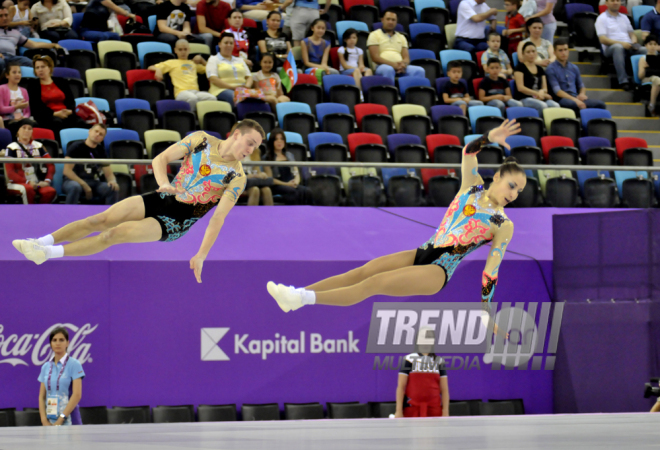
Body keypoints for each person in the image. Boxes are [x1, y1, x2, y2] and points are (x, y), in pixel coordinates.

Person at [267, 121, 524, 319]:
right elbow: (468, 151)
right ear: (498, 176)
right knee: (363, 271)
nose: (513, 194)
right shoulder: (472, 186)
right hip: (423, 251)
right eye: (512, 185)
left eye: (519, 191)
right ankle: (295, 296)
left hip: (439, 271)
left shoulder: (503, 224)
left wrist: (486, 310)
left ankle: (303, 298)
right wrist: (489, 138)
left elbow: (491, 271)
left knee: (373, 283)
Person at [12, 121, 265, 284]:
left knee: (113, 234)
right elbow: (161, 158)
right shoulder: (201, 140)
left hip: (177, 220)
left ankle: (48, 254)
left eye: (255, 147)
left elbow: (218, 218)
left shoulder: (237, 176)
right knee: (99, 219)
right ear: (235, 133)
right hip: (163, 196)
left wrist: (202, 254)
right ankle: (41, 242)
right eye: (250, 143)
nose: (251, 150)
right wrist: (163, 182)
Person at [27, 55, 86, 137]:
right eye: (37, 68)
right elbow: (36, 106)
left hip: (66, 113)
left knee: (80, 123)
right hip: (47, 116)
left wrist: (70, 111)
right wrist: (55, 113)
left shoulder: (61, 81)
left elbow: (70, 100)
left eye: (43, 67)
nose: (40, 70)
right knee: (57, 123)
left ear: (49, 67)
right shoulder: (33, 85)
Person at [149, 39, 217, 110]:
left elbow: (210, 70)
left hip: (196, 92)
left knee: (212, 98)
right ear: (175, 50)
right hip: (181, 93)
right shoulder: (171, 63)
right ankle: (192, 118)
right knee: (192, 98)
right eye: (180, 50)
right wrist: (158, 70)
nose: (183, 52)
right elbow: (150, 67)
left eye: (185, 49)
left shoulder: (193, 63)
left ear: (189, 50)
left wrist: (202, 60)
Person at [62, 124, 119, 205]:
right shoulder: (75, 146)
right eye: (96, 131)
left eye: (101, 134)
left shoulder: (101, 151)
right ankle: (68, 214)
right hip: (72, 181)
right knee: (75, 187)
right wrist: (84, 185)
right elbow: (67, 171)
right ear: (90, 131)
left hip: (93, 182)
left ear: (102, 139)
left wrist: (113, 181)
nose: (97, 135)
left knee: (112, 188)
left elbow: (109, 173)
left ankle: (110, 216)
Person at [38, 327, 85, 426]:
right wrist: (44, 420)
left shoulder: (74, 364)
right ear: (50, 343)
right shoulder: (46, 367)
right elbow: (42, 396)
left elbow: (77, 395)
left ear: (67, 343)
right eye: (54, 340)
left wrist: (61, 419)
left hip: (70, 421)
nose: (57, 343)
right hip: (50, 421)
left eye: (61, 340)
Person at [595, 0, 647, 91]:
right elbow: (602, 39)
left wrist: (633, 42)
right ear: (606, 3)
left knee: (644, 50)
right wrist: (622, 43)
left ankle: (644, 80)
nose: (615, 3)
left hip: (628, 45)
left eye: (618, 0)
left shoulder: (624, 18)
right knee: (618, 48)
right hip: (611, 48)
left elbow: (632, 34)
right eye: (612, 1)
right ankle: (623, 81)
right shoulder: (601, 18)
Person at [545, 39, 607, 113]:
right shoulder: (551, 68)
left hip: (576, 97)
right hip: (562, 99)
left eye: (565, 50)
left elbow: (581, 86)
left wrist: (582, 94)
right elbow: (558, 91)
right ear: (554, 53)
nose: (564, 53)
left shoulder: (574, 67)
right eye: (560, 50)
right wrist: (575, 100)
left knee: (601, 105)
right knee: (572, 105)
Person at [395, 336, 449, 419]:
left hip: (434, 412)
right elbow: (401, 387)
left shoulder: (439, 361)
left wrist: (445, 412)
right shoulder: (409, 359)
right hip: (412, 411)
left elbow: (444, 390)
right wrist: (398, 411)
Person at [5, 118, 56, 204]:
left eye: (29, 129)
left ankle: (40, 212)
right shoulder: (11, 147)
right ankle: (28, 213)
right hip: (17, 182)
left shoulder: (39, 146)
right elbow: (10, 172)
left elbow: (50, 165)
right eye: (24, 128)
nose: (27, 131)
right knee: (28, 189)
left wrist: (47, 181)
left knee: (49, 191)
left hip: (37, 182)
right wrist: (27, 182)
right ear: (18, 131)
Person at [367, 9, 425, 82]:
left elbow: (406, 58)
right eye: (388, 19)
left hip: (400, 67)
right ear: (382, 20)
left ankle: (415, 93)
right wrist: (393, 65)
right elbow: (375, 58)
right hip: (382, 66)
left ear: (396, 22)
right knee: (389, 70)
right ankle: (389, 93)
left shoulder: (401, 37)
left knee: (420, 70)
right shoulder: (374, 35)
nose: (390, 22)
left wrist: (403, 65)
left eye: (393, 20)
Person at [0, 6, 61, 73]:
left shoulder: (15, 33)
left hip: (12, 58)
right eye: (1, 16)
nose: (4, 18)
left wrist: (53, 45)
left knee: (33, 64)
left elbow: (34, 44)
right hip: (1, 58)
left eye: (6, 15)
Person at [263, 128, 313, 205]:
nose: (279, 141)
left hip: (291, 183)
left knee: (307, 191)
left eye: (282, 139)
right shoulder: (267, 158)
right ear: (272, 142)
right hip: (277, 185)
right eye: (276, 139)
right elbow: (270, 179)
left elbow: (296, 172)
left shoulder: (289, 155)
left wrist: (296, 181)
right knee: (292, 192)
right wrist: (287, 184)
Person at [206, 32, 253, 107]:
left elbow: (249, 77)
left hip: (242, 90)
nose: (229, 45)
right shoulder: (213, 59)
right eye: (226, 43)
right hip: (221, 90)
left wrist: (247, 86)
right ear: (220, 44)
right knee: (237, 97)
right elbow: (213, 78)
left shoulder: (240, 60)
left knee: (259, 98)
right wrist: (232, 88)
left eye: (231, 43)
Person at [514, 42, 559, 114]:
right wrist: (537, 93)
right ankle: (541, 125)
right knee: (542, 105)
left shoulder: (540, 69)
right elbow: (520, 88)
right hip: (525, 97)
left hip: (539, 97)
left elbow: (545, 88)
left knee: (555, 105)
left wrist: (542, 92)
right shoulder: (519, 68)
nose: (531, 54)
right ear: (523, 54)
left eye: (533, 51)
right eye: (528, 52)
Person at [0, 61, 30, 130]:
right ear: (7, 75)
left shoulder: (24, 91)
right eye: (14, 72)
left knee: (30, 123)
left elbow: (27, 111)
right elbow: (1, 109)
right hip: (8, 120)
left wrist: (25, 117)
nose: (17, 75)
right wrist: (16, 107)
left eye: (19, 72)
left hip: (23, 121)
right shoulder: (1, 89)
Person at [638, 35, 660, 115]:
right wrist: (644, 68)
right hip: (647, 78)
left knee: (657, 79)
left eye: (655, 44)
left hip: (657, 77)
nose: (653, 46)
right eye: (650, 44)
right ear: (646, 45)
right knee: (657, 79)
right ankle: (651, 105)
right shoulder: (643, 58)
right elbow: (640, 76)